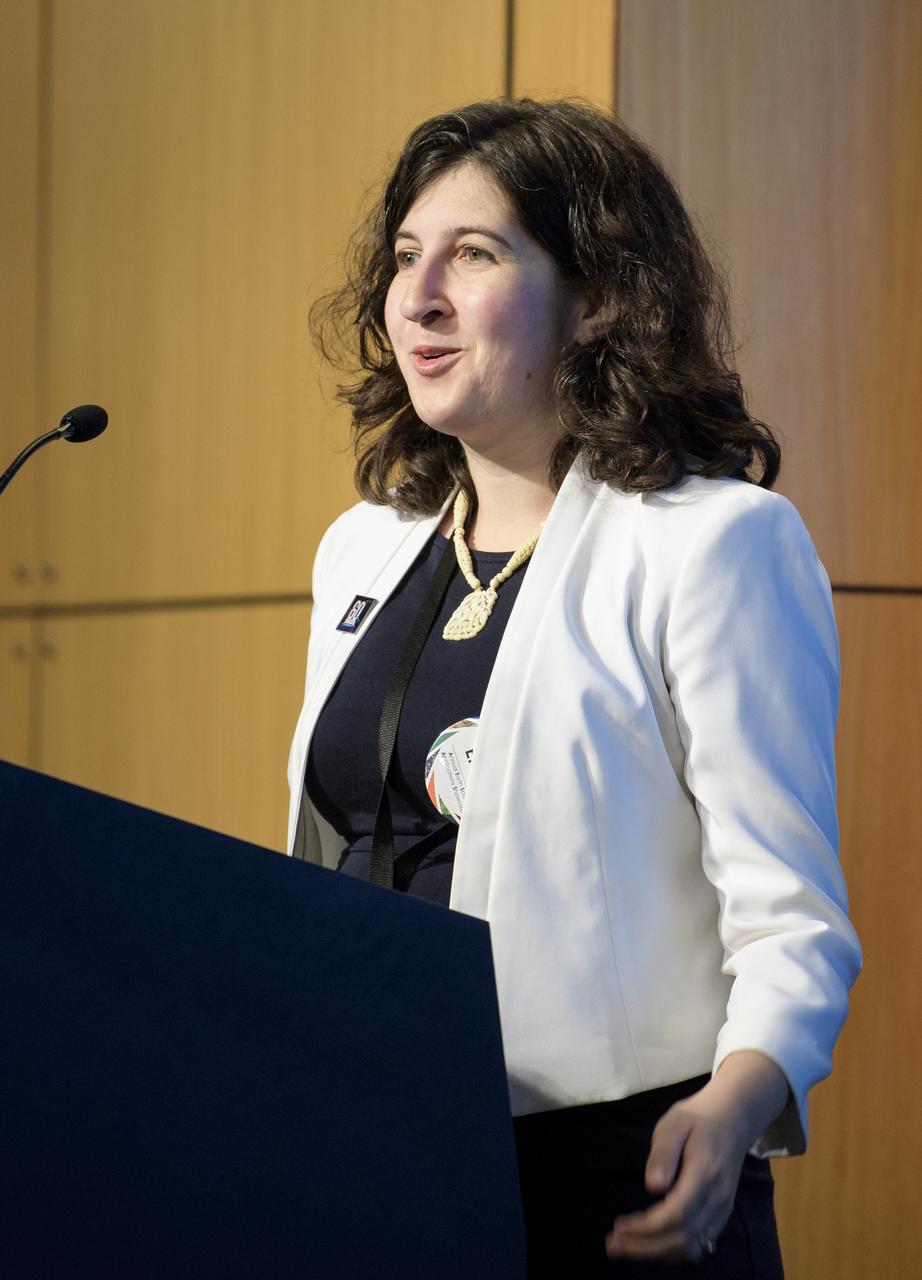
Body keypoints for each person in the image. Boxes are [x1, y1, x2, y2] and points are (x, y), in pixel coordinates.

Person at [287, 98, 861, 1276]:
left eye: (473, 254)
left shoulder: (711, 544)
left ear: (596, 297)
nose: (417, 296)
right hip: (370, 1139)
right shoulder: (364, 547)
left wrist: (735, 1103)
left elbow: (790, 918)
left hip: (609, 1171)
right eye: (404, 256)